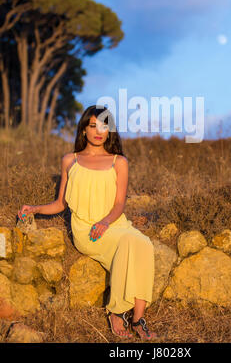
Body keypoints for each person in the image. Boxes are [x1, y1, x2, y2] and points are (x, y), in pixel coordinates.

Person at [18, 105, 157, 340]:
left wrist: (105, 221)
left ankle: (137, 319)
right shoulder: (69, 161)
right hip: (86, 230)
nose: (98, 131)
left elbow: (119, 203)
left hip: (114, 223)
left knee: (142, 243)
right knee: (128, 244)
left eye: (103, 126)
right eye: (92, 126)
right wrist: (35, 209)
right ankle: (116, 311)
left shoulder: (118, 162)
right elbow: (61, 203)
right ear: (84, 129)